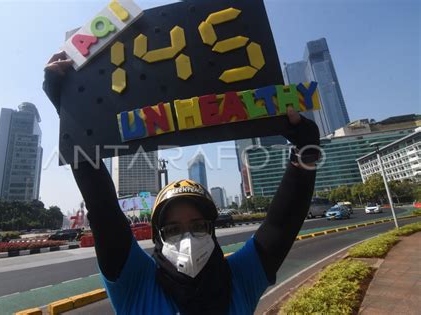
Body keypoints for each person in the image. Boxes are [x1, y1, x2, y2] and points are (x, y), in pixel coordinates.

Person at [43, 51, 321, 314]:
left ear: (212, 229)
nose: (187, 240)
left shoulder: (240, 279)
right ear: (157, 238)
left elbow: (281, 224)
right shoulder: (135, 284)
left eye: (198, 226)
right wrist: (69, 110)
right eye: (173, 230)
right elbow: (103, 209)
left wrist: (306, 150)